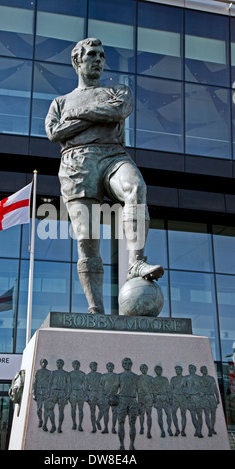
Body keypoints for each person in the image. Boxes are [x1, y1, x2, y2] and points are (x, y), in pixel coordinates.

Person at [45, 37, 164, 315]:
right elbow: (54, 133)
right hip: (76, 163)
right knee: (87, 239)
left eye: (102, 55)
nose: (98, 60)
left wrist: (79, 114)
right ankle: (95, 309)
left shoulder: (118, 90)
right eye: (92, 55)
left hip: (113, 154)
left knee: (135, 187)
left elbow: (119, 109)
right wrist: (97, 116)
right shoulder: (60, 102)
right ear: (77, 61)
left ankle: (135, 260)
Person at [32, 358, 51, 429]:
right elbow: (34, 383)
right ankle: (40, 420)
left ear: (46, 364)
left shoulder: (49, 372)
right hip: (39, 392)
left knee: (46, 409)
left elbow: (51, 383)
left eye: (45, 362)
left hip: (46, 392)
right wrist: (34, 393)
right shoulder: (37, 372)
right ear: (40, 363)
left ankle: (45, 424)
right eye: (42, 362)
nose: (44, 364)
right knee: (39, 409)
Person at [69, 360, 86, 432]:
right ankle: (74, 423)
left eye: (77, 364)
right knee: (73, 409)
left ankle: (80, 425)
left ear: (79, 365)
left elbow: (85, 385)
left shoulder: (82, 374)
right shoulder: (70, 374)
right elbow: (68, 384)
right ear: (73, 365)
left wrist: (85, 393)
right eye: (75, 364)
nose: (76, 366)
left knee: (80, 409)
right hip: (72, 392)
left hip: (80, 392)